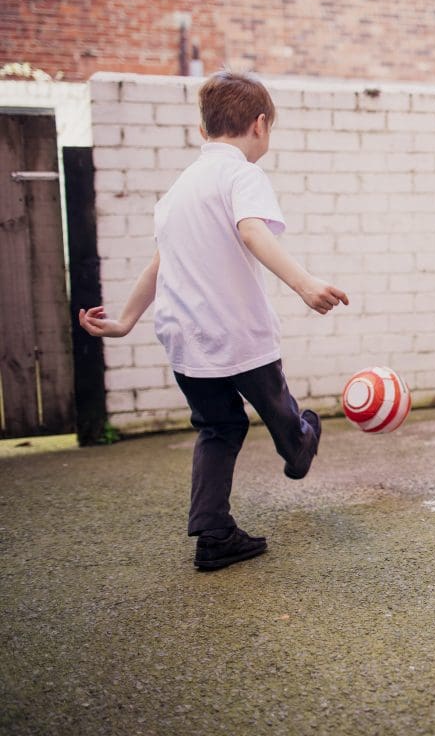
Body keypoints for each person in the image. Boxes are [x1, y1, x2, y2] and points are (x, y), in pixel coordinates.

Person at [78, 70, 349, 572]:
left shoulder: (179, 188)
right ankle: (299, 448)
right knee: (280, 409)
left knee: (218, 428)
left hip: (185, 338)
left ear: (203, 131)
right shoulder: (241, 174)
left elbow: (160, 262)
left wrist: (125, 322)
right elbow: (252, 232)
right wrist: (306, 284)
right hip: (238, 333)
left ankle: (214, 534)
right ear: (260, 125)